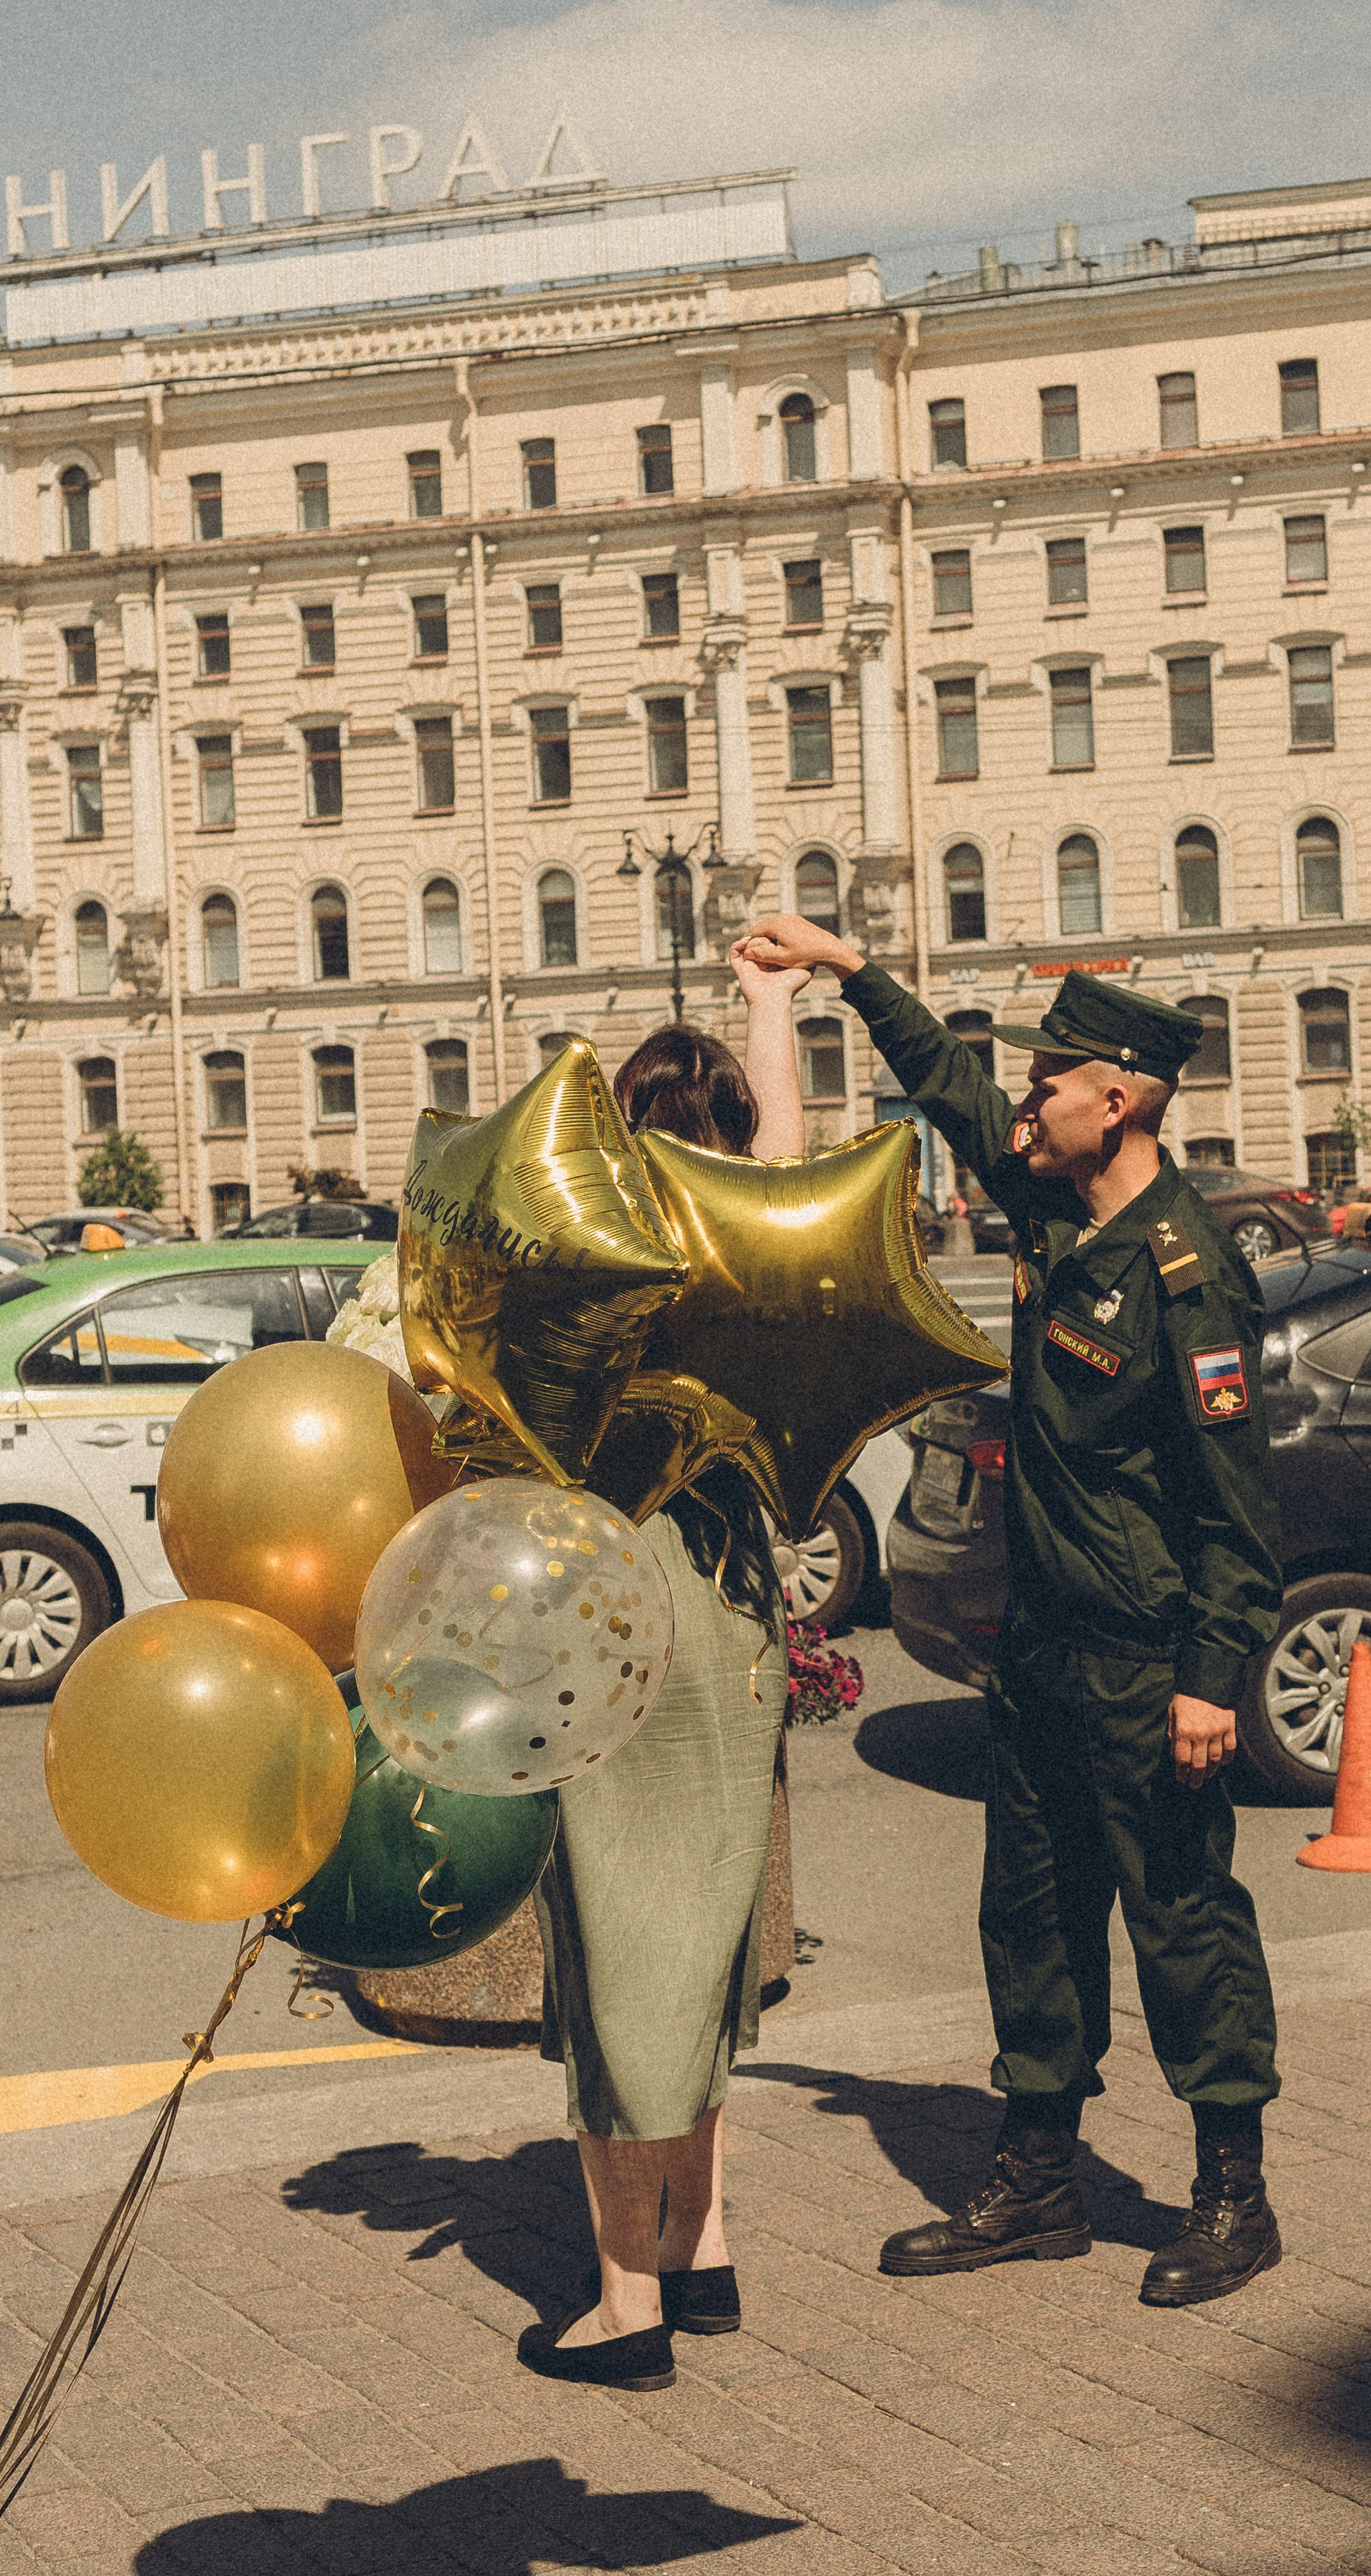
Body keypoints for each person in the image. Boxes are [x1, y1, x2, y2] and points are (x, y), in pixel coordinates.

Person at [744, 916, 1284, 2311]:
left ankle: (1231, 2193)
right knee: (1029, 1922)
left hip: (1143, 1660)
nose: (1023, 1102)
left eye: (1048, 1082)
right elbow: (951, 1091)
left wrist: (1210, 1674)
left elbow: (1231, 1505)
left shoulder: (1186, 1277)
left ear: (1116, 1097)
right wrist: (851, 970)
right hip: (1038, 1652)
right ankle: (1037, 2174)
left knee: (1181, 1924)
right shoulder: (1059, 1216)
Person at [517, 946, 804, 2394]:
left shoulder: (598, 1273)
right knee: (698, 1951)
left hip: (616, 1612)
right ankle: (705, 2252)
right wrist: (770, 1013)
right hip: (733, 1613)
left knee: (614, 1954)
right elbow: (790, 1157)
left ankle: (626, 2304)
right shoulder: (763, 1262)